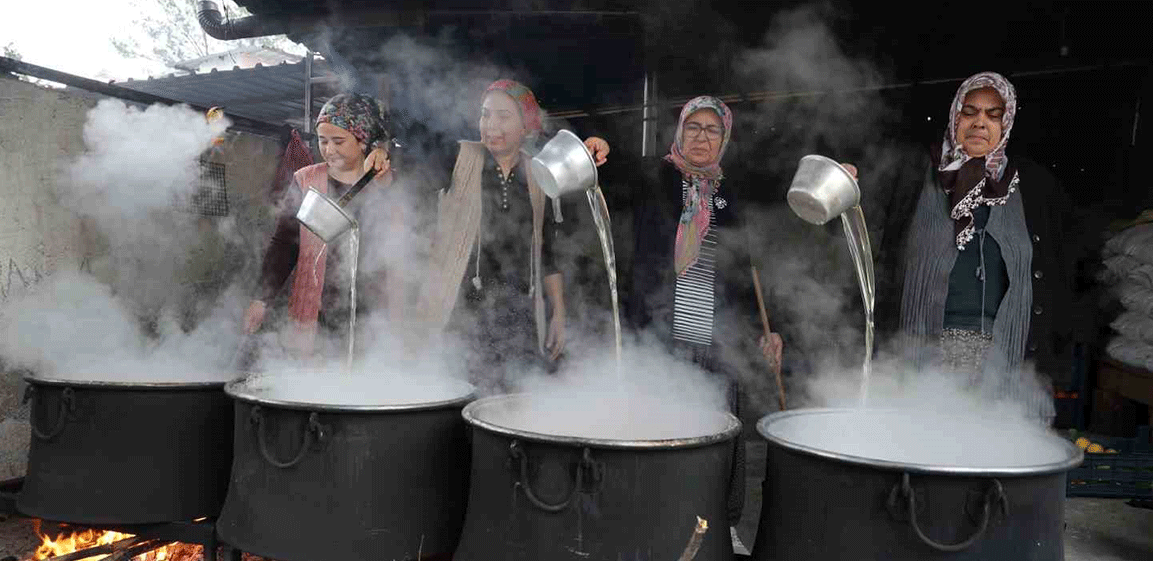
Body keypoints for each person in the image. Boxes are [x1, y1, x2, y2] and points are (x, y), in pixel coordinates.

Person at [622, 95, 782, 528]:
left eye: (712, 130)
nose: (701, 137)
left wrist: (768, 330)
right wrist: (595, 146)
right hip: (661, 333)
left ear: (724, 138)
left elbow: (746, 271)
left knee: (717, 431)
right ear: (679, 132)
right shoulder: (654, 177)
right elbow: (609, 176)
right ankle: (654, 520)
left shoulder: (731, 193)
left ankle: (716, 526)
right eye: (693, 127)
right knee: (661, 427)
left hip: (718, 337)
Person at [873, 71, 1077, 406]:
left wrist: (1054, 367)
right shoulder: (911, 174)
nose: (980, 123)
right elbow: (870, 244)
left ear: (1006, 123)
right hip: (917, 358)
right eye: (970, 112)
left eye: (993, 115)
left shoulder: (1034, 186)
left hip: (1004, 362)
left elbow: (1062, 274)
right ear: (954, 117)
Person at [415, 79, 609, 391]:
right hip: (459, 313)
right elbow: (411, 170)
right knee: (456, 404)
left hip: (519, 315)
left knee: (512, 405)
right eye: (485, 114)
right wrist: (384, 157)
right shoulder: (456, 157)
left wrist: (558, 312)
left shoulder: (539, 172)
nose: (491, 125)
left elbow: (547, 251)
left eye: (504, 116)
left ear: (526, 125)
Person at [242, 93, 397, 358]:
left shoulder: (381, 178)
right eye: (323, 141)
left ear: (363, 143)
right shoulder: (306, 179)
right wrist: (261, 298)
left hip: (371, 311)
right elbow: (285, 242)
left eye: (339, 141)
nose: (329, 149)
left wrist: (385, 167)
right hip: (314, 309)